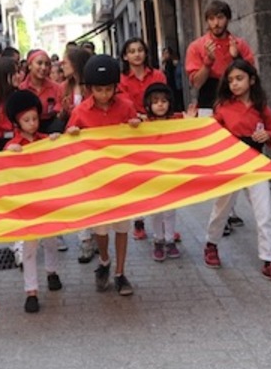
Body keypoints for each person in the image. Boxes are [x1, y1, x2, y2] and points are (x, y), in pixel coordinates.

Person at [203, 59, 271, 284]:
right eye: (230, 80)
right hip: (231, 165)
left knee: (265, 212)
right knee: (222, 208)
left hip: (256, 164)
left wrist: (268, 137)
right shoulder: (222, 107)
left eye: (239, 78)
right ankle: (211, 244)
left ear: (251, 80)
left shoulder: (262, 107)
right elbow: (212, 132)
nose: (234, 84)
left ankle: (269, 261)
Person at [66, 55, 140, 296]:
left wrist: (138, 126)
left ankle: (119, 273)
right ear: (89, 89)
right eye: (99, 89)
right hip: (95, 181)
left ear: (116, 87)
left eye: (109, 89)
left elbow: (138, 138)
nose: (104, 94)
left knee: (122, 227)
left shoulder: (126, 106)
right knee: (100, 230)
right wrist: (72, 133)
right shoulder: (80, 112)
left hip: (121, 179)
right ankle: (105, 261)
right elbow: (69, 145)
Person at [184, 0, 255, 231]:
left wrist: (236, 59)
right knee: (215, 159)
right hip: (209, 100)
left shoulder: (240, 45)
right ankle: (221, 216)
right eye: (212, 18)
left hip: (235, 103)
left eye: (220, 17)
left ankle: (230, 211)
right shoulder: (198, 46)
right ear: (207, 21)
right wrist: (208, 62)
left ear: (228, 19)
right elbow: (195, 82)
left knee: (234, 156)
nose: (216, 23)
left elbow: (251, 77)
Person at [4, 90, 63, 313]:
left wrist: (56, 141)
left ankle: (52, 271)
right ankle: (31, 291)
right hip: (26, 203)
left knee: (51, 240)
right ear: (17, 123)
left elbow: (57, 154)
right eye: (26, 120)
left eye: (35, 119)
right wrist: (10, 152)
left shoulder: (43, 140)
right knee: (29, 247)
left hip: (47, 199)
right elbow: (2, 166)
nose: (32, 123)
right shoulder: (13, 145)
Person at [118, 37, 168, 241]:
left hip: (156, 129)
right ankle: (138, 220)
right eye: (132, 51)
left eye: (140, 50)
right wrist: (137, 116)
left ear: (146, 53)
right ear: (125, 56)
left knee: (159, 175)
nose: (137, 54)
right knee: (137, 176)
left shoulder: (158, 75)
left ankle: (164, 225)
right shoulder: (121, 80)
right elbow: (123, 103)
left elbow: (166, 98)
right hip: (133, 131)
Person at [141, 83, 195, 260]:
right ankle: (158, 240)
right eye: (155, 101)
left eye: (164, 101)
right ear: (148, 105)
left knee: (171, 209)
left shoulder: (176, 121)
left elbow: (190, 132)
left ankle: (170, 240)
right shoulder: (144, 124)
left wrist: (191, 121)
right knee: (156, 210)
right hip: (153, 175)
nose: (160, 104)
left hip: (171, 173)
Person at [57, 46, 95, 262]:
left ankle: (98, 236)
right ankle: (85, 240)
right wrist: (64, 112)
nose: (63, 65)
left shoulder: (92, 86)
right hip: (74, 150)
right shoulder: (64, 87)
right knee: (80, 195)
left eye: (66, 61)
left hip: (93, 149)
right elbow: (60, 118)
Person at [20, 49, 63, 134]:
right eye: (39, 63)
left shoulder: (56, 87)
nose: (43, 68)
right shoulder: (21, 89)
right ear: (30, 66)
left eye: (47, 64)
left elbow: (59, 109)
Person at [161, 47, 184, 112]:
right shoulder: (164, 63)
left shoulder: (173, 63)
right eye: (164, 53)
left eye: (167, 53)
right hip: (169, 85)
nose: (165, 55)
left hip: (175, 85)